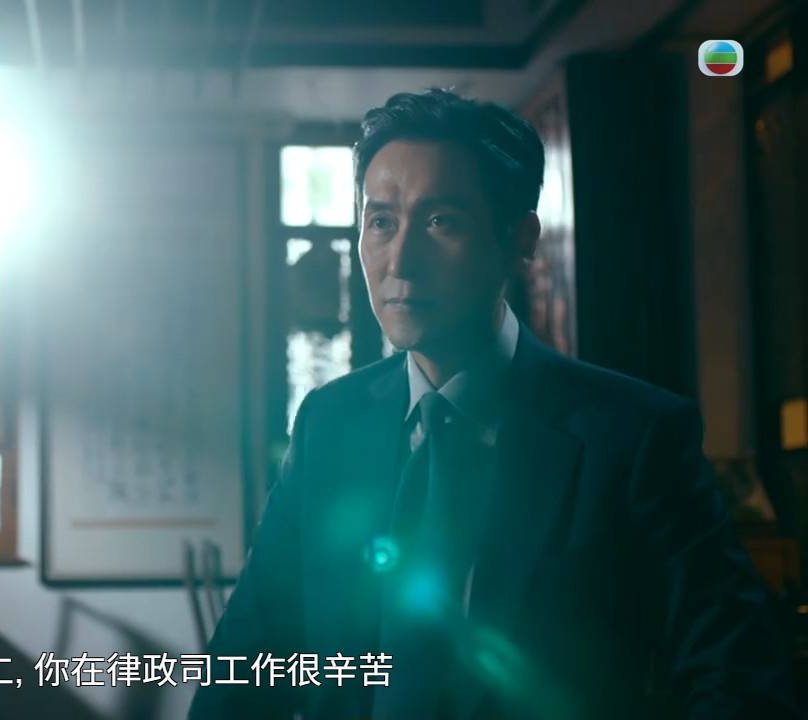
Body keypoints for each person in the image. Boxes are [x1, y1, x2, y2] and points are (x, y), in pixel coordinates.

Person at [187, 89, 796, 720]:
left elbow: (740, 681)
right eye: (381, 222)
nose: (401, 261)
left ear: (519, 240)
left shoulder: (631, 437)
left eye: (440, 222)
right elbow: (246, 661)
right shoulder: (329, 423)